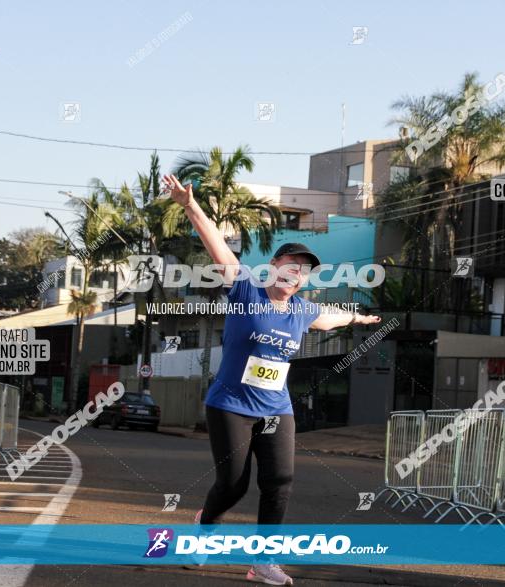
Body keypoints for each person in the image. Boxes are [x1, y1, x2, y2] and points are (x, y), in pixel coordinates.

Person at [163, 175, 381, 585]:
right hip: (229, 405)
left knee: (279, 482)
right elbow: (216, 245)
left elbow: (328, 317)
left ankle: (263, 561)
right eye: (291, 266)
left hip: (276, 408)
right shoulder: (246, 290)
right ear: (274, 267)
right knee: (233, 485)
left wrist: (356, 317)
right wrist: (190, 206)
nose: (297, 275)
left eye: (304, 272)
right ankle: (205, 527)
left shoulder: (301, 310)